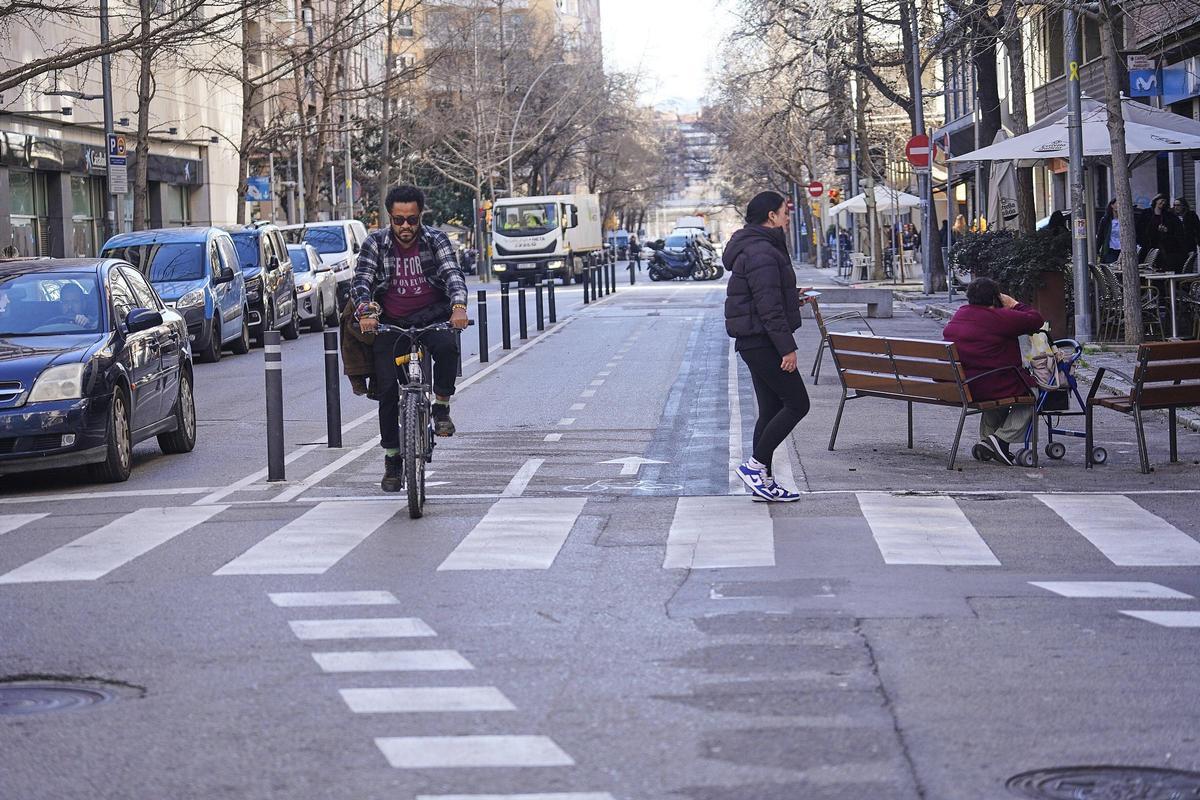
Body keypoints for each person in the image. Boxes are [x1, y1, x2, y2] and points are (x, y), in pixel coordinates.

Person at [353, 184, 469, 493]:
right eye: (399, 220)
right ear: (389, 217)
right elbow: (361, 281)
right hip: (391, 321)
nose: (406, 227)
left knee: (446, 345)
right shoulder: (375, 244)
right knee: (388, 389)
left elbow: (452, 275)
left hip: (432, 314)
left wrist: (458, 307)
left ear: (421, 217)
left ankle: (441, 406)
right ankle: (393, 458)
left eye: (412, 220)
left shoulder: (435, 240)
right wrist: (366, 312)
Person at [724, 190, 813, 501]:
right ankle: (754, 467)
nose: (788, 217)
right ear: (771, 217)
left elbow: (767, 297)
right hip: (763, 342)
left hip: (755, 339)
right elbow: (767, 308)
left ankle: (762, 479)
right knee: (798, 404)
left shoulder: (755, 247)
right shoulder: (762, 251)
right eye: (784, 212)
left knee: (771, 408)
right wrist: (787, 348)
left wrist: (794, 297)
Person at [943, 277, 1044, 466]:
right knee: (1033, 393)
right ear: (995, 298)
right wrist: (1013, 304)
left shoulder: (960, 314)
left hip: (962, 385)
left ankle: (988, 442)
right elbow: (1036, 320)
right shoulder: (999, 318)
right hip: (989, 384)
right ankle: (1001, 440)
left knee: (998, 394)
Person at [1138, 193, 1188, 270]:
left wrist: (1166, 230)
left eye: (1165, 201)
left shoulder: (1169, 216)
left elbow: (1177, 231)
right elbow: (1141, 228)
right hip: (1148, 246)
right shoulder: (1146, 213)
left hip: (1164, 248)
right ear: (1156, 201)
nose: (1163, 203)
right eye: (1161, 200)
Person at [1173, 198, 1200, 264]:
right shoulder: (1172, 217)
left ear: (1183, 206)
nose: (1176, 207)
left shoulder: (1191, 215)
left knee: (1188, 267)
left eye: (1178, 205)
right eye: (1174, 205)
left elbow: (1198, 230)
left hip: (1189, 247)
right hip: (1176, 249)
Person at [1097, 199, 1121, 264]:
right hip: (1110, 249)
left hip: (1122, 250)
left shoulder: (1124, 221)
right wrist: (1097, 250)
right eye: (1117, 203)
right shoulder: (1106, 220)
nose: (1118, 206)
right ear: (1112, 205)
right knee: (1110, 268)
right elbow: (1100, 236)